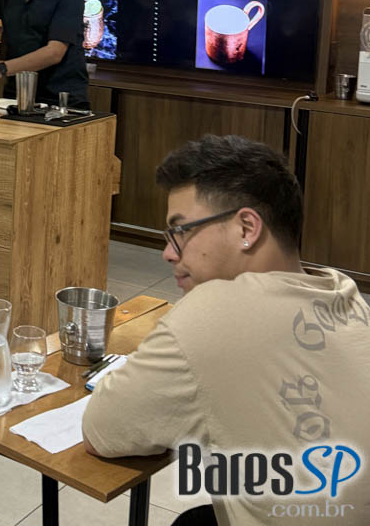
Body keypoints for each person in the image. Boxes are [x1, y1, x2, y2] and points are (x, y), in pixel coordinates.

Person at [82, 135, 370, 526]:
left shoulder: (212, 311)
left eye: (181, 231)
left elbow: (102, 431)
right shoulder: (344, 293)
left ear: (246, 227)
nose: (168, 252)